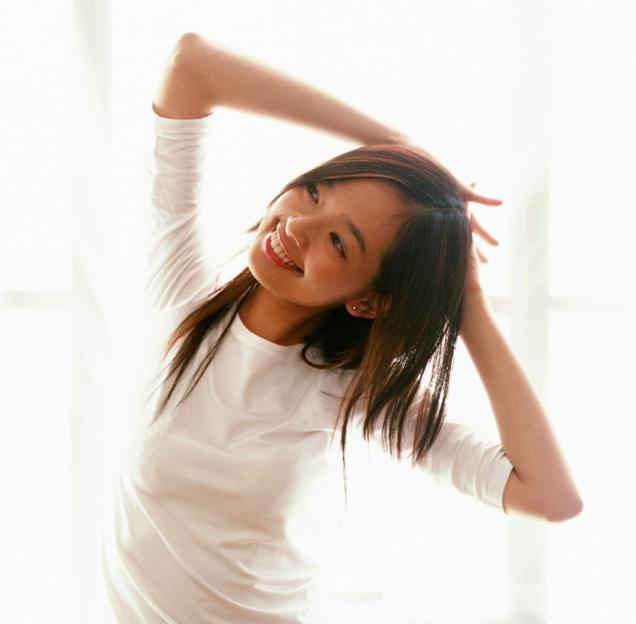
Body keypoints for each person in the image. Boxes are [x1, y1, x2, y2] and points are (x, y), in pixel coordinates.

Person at [101, 33, 582, 623]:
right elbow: (192, 65)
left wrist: (471, 308)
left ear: (369, 302)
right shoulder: (181, 292)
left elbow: (549, 496)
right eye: (314, 192)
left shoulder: (354, 393)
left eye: (337, 241)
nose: (296, 227)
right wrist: (392, 143)